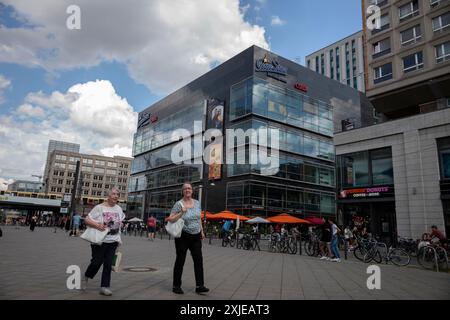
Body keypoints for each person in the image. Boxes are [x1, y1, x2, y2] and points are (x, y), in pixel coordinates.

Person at [166, 183, 209, 295]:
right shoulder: (178, 204)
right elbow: (170, 219)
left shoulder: (197, 203)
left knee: (198, 260)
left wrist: (202, 231)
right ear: (182, 191)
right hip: (183, 236)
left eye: (189, 188)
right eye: (185, 189)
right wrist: (181, 212)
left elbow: (198, 218)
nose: (187, 190)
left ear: (192, 190)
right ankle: (176, 285)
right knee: (180, 260)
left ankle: (200, 285)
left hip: (196, 236)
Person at [82, 187, 125, 296]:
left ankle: (104, 287)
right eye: (114, 194)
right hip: (100, 241)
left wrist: (120, 231)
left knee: (108, 264)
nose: (116, 196)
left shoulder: (119, 209)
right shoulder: (99, 208)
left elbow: (119, 223)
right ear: (108, 195)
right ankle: (87, 275)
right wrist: (97, 225)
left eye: (118, 194)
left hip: (113, 241)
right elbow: (87, 220)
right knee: (96, 262)